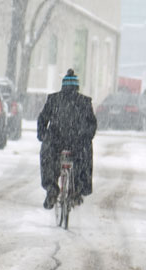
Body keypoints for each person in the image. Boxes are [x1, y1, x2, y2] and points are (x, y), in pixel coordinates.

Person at [37, 69, 97, 209]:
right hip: (77, 141)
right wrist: (86, 136)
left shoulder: (53, 100)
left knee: (48, 157)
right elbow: (92, 124)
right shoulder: (84, 102)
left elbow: (42, 119)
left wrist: (43, 136)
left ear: (63, 86)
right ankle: (78, 189)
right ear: (77, 87)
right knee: (83, 158)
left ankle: (51, 187)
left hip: (56, 140)